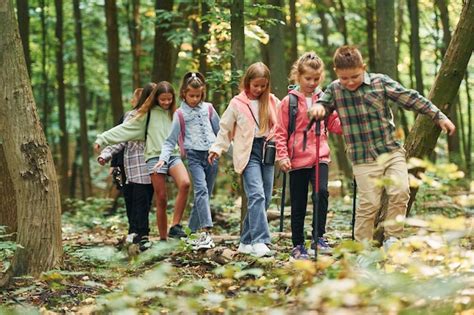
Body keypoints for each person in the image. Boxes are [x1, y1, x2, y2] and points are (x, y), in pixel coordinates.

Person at [309, 45, 456, 251]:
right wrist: (317, 109)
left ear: (363, 67)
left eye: (355, 76)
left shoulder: (380, 83)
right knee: (368, 204)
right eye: (344, 78)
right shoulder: (334, 89)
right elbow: (323, 106)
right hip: (362, 158)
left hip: (390, 152)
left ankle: (392, 239)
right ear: (336, 72)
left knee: (401, 191)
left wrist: (438, 116)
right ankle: (363, 249)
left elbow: (411, 98)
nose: (350, 82)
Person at [94, 82, 191, 242]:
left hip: (165, 158)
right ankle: (152, 236)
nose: (166, 102)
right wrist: (103, 140)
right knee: (149, 199)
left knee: (177, 187)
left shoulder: (174, 113)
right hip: (144, 162)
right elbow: (124, 132)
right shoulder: (143, 116)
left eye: (169, 99)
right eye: (162, 99)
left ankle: (166, 228)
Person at [274, 52, 342, 260]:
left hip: (320, 156)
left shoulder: (325, 99)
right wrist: (282, 155)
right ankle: (297, 244)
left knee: (321, 193)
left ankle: (318, 238)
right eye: (307, 79)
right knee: (298, 202)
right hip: (297, 160)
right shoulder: (288, 102)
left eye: (316, 79)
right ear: (298, 76)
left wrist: (350, 120)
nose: (312, 83)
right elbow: (280, 131)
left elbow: (334, 124)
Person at [208, 62, 279, 257]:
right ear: (247, 82)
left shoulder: (272, 101)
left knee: (264, 196)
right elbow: (225, 128)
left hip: (268, 150)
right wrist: (217, 148)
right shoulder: (237, 103)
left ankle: (246, 240)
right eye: (255, 85)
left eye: (263, 85)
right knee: (256, 194)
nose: (259, 89)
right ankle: (260, 240)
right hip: (248, 153)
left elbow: (283, 123)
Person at [154, 72, 220, 251]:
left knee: (206, 194)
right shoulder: (180, 114)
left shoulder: (209, 109)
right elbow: (170, 141)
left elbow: (222, 133)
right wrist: (163, 159)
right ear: (184, 93)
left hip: (212, 156)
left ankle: (191, 233)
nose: (195, 99)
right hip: (194, 157)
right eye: (191, 95)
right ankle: (206, 232)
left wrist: (236, 154)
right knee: (201, 191)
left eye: (198, 95)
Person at [97, 87, 154, 251]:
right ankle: (133, 232)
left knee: (143, 201)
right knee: (131, 199)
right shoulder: (131, 116)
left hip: (149, 166)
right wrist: (107, 155)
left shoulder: (157, 117)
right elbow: (120, 139)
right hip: (129, 167)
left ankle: (142, 235)